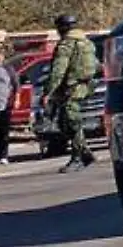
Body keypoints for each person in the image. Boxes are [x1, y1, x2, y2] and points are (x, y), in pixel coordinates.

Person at [45, 13, 99, 172]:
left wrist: (48, 92)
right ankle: (85, 153)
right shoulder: (87, 42)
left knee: (70, 122)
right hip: (84, 86)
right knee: (66, 121)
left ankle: (78, 157)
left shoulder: (67, 45)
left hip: (71, 88)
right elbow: (96, 65)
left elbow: (58, 71)